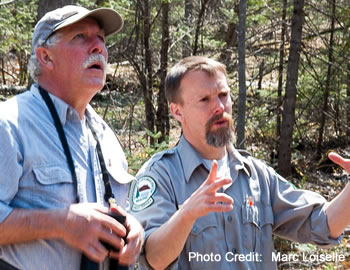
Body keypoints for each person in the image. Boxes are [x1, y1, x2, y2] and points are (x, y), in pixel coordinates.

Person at [129, 56, 350, 269]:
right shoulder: (160, 176)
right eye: (204, 99)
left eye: (223, 95)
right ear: (177, 111)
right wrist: (186, 214)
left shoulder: (256, 175)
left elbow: (321, 224)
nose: (219, 107)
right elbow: (154, 259)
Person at [0, 5, 143, 270]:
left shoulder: (106, 137)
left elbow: (123, 210)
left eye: (101, 38)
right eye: (80, 37)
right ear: (46, 57)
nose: (98, 47)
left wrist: (135, 231)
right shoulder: (9, 123)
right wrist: (62, 223)